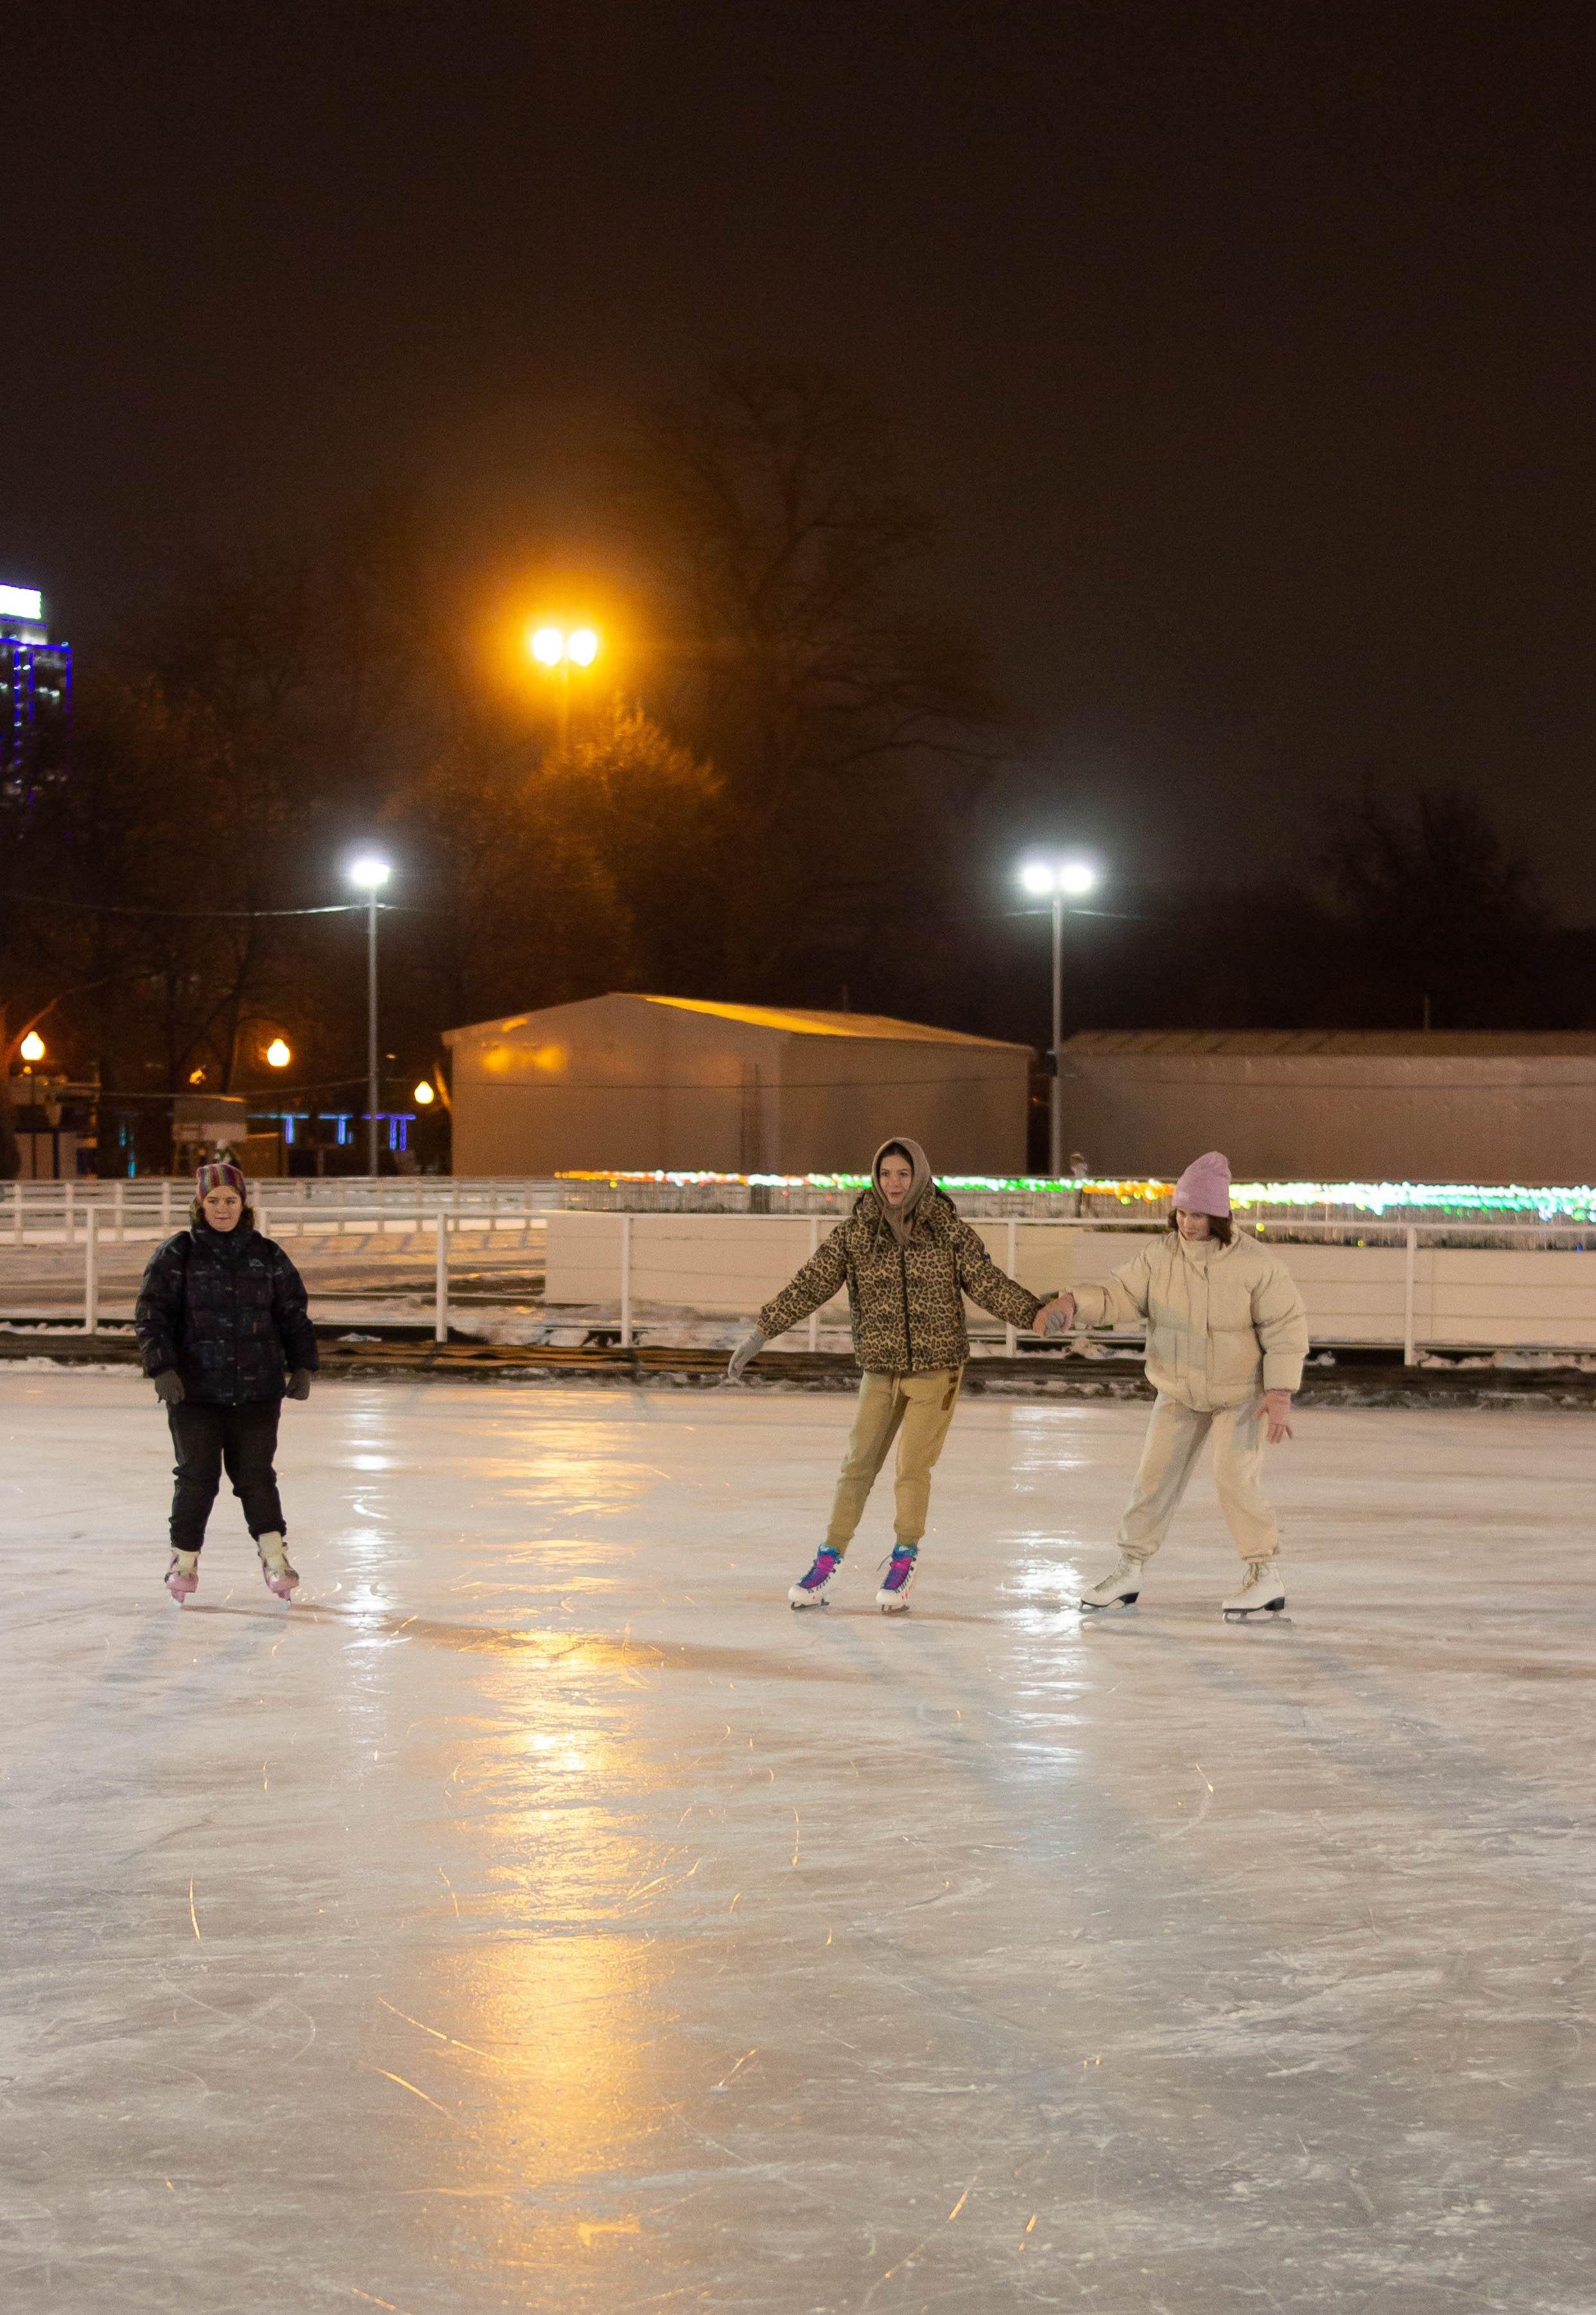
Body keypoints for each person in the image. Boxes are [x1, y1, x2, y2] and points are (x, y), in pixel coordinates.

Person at [727, 1137, 1055, 1612]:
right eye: (885, 1174)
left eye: (903, 1174)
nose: (894, 1183)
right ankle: (828, 1558)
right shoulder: (857, 1232)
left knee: (910, 1469)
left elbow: (986, 1282)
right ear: (875, 1179)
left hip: (936, 1368)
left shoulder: (947, 1231)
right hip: (880, 1368)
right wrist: (763, 1331)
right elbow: (812, 1281)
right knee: (856, 1465)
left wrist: (1034, 1314)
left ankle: (904, 1558)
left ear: (919, 1176)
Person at [1037, 1150, 1308, 1620]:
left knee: (1234, 1479)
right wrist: (1074, 1304)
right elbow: (1120, 1296)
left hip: (1238, 1395)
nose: (1187, 1223)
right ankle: (1129, 1568)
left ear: (1219, 1215)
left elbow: (1286, 1327)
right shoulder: (1159, 1257)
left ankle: (1264, 1574)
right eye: (1182, 1212)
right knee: (1152, 1480)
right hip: (1179, 1390)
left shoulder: (1255, 1264)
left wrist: (1279, 1392)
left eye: (1198, 1214)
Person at [134, 1160, 318, 1604]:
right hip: (194, 1393)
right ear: (200, 1204)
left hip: (257, 1391)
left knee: (257, 1478)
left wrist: (303, 1365)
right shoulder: (177, 1254)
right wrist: (163, 1369)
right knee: (197, 1478)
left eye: (230, 1200)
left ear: (244, 1204)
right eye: (213, 1200)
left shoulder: (267, 1255)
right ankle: (183, 1562)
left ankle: (276, 1559)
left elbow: (292, 1313)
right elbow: (151, 1315)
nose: (222, 1208)